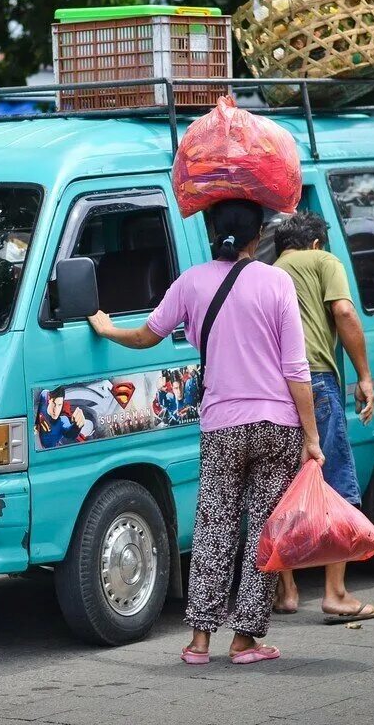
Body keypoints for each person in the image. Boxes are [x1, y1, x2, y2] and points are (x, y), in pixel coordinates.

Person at [87, 199, 324, 665]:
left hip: (222, 425)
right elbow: (296, 368)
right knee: (263, 531)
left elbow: (148, 335)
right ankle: (245, 641)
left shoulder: (192, 281)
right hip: (276, 425)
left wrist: (108, 327)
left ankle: (199, 641)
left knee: (214, 527)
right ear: (259, 237)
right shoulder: (277, 281)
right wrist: (311, 437)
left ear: (213, 232)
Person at [268, 212, 374, 624]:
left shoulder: (266, 272)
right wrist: (365, 376)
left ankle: (289, 591)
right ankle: (335, 593)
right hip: (314, 381)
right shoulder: (323, 262)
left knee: (282, 490)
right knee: (335, 483)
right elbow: (345, 313)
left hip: (273, 389)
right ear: (316, 243)